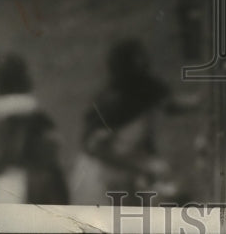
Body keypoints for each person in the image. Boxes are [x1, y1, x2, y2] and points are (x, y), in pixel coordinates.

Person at [69, 39, 185, 205]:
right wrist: (142, 167)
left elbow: (170, 106)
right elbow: (96, 148)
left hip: (127, 169)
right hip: (103, 176)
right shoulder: (112, 104)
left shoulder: (144, 92)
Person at [0, 53, 69, 204]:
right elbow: (51, 161)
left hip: (2, 190)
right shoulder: (38, 119)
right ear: (26, 80)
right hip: (37, 191)